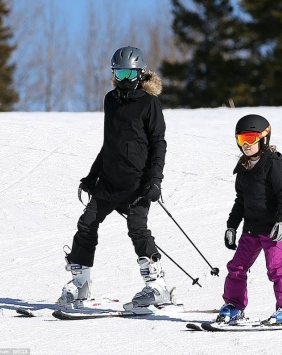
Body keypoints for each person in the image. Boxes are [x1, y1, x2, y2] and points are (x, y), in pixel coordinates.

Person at [57, 46, 170, 309]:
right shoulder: (111, 100)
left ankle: (157, 286)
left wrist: (155, 180)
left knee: (137, 228)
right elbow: (110, 143)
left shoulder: (149, 103)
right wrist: (92, 175)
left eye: (129, 71)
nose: (123, 77)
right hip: (109, 181)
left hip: (138, 183)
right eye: (118, 71)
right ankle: (80, 285)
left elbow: (158, 144)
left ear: (140, 73)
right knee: (87, 223)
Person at [218, 114, 282, 324]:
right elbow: (241, 200)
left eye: (251, 138)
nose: (246, 145)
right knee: (236, 268)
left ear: (264, 138)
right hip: (250, 229)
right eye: (241, 139)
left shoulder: (273, 163)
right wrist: (232, 226)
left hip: (273, 229)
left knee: (276, 268)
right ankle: (234, 306)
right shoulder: (243, 167)